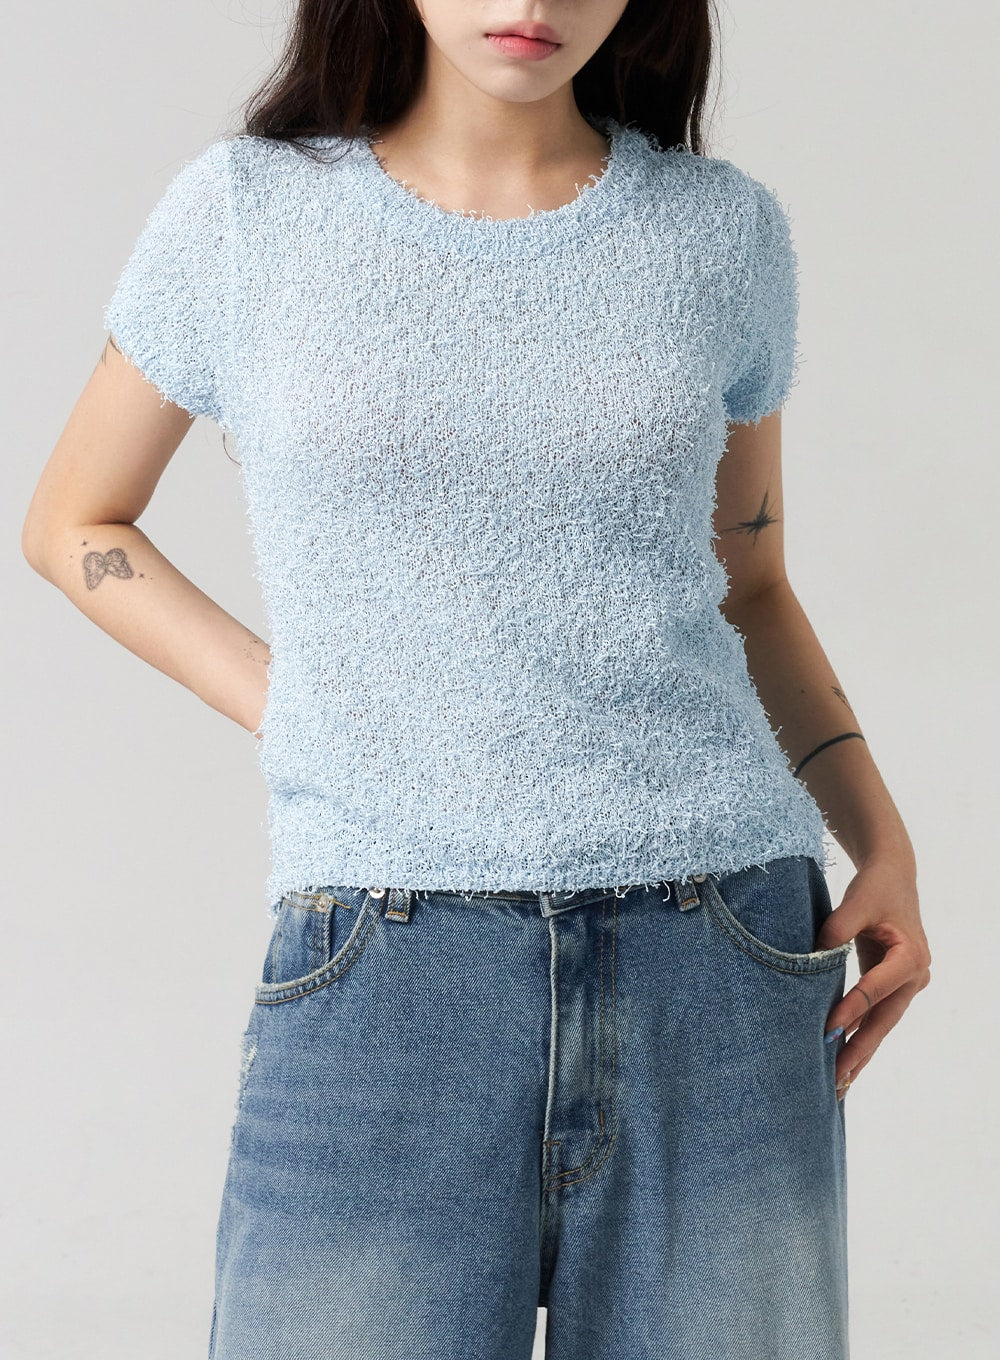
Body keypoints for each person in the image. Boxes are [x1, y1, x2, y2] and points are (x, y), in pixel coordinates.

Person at [21, 2, 932, 1356]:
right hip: (390, 959)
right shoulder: (244, 217)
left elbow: (748, 583)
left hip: (718, 958)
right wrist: (306, 706)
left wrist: (882, 837)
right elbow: (73, 522)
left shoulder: (720, 233)